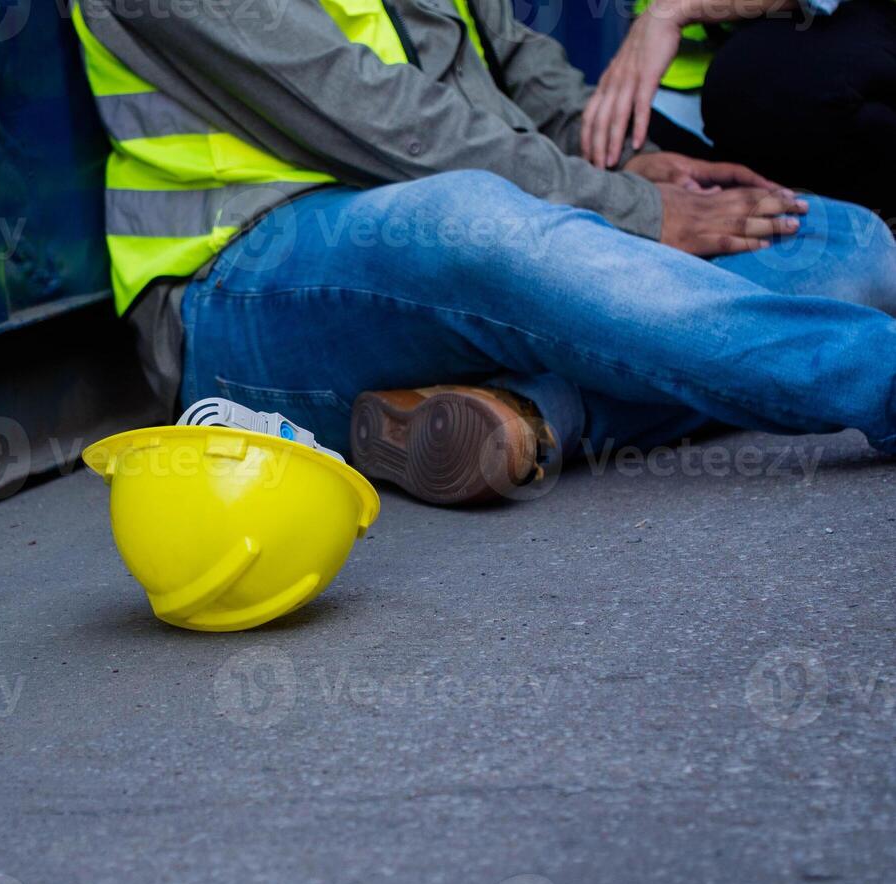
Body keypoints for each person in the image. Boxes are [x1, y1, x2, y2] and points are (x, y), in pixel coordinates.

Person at [72, 0, 896, 505]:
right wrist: (628, 207)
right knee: (465, 216)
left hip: (472, 228)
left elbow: (508, 65)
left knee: (841, 244)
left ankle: (529, 418)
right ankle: (880, 378)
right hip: (245, 291)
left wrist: (610, 155)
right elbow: (379, 122)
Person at [584, 0, 896, 216]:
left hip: (835, 51)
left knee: (765, 86)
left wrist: (676, 9)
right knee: (610, 157)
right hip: (680, 81)